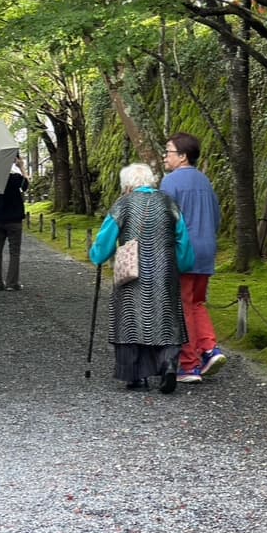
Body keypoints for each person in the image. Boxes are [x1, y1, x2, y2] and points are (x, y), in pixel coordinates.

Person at [89, 163, 193, 395]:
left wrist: (97, 255)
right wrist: (184, 264)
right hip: (165, 269)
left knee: (130, 321)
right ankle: (167, 365)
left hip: (132, 273)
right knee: (166, 318)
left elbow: (106, 238)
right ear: (150, 181)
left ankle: (136, 376)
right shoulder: (168, 203)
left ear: (127, 184)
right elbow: (182, 239)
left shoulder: (123, 204)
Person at [158, 133, 229, 384]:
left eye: (168, 151)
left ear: (182, 156)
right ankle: (210, 349)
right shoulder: (205, 181)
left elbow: (164, 221)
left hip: (182, 251)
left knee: (182, 305)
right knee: (197, 302)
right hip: (207, 248)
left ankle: (189, 364)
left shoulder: (170, 183)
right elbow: (217, 217)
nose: (165, 156)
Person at [0, 167, 28, 291]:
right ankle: (12, 283)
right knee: (14, 253)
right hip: (14, 220)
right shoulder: (16, 178)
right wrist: (21, 166)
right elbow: (26, 186)